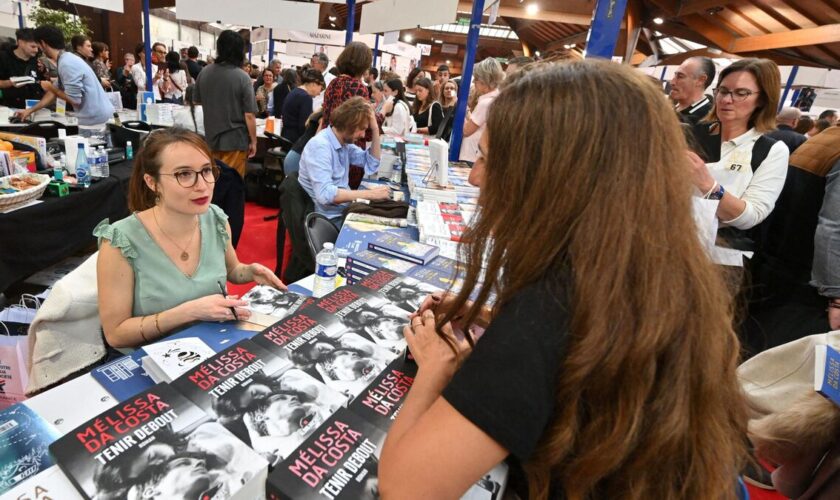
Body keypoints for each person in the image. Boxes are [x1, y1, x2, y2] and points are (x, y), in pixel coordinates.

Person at [377, 60, 748, 500]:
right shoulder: (649, 268)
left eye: (488, 160)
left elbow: (406, 488)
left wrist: (436, 368)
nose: (475, 177)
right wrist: (492, 316)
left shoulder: (550, 305)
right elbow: (583, 347)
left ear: (549, 180)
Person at [94, 128, 284, 351]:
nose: (202, 185)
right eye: (183, 174)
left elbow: (232, 269)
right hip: (150, 358)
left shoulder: (215, 218)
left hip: (211, 343)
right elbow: (116, 334)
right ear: (152, 182)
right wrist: (187, 312)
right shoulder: (120, 242)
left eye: (206, 171)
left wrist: (249, 271)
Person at [687, 58, 789, 235]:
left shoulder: (770, 150)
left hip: (716, 254)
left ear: (762, 100)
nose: (726, 100)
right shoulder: (692, 134)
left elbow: (751, 217)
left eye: (741, 93)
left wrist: (709, 186)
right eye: (723, 91)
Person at [298, 97, 390, 227]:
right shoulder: (320, 146)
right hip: (329, 220)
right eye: (362, 129)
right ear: (349, 124)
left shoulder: (342, 143)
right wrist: (370, 194)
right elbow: (324, 194)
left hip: (342, 212)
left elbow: (371, 163)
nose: (363, 135)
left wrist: (375, 129)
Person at [16, 26, 114, 127]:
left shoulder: (67, 63)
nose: (37, 50)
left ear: (43, 43)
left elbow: (75, 100)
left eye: (37, 45)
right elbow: (53, 92)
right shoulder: (66, 59)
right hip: (95, 117)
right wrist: (30, 111)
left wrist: (50, 87)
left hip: (96, 120)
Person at [194, 30, 258, 177]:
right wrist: (254, 141)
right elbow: (249, 115)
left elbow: (197, 101)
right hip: (235, 140)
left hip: (211, 138)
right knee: (232, 183)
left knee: (213, 181)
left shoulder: (204, 72)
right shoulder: (243, 77)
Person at [459, 57, 504, 163]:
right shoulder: (498, 99)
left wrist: (462, 113)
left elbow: (466, 131)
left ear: (485, 80)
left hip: (471, 155)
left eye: (477, 79)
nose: (474, 81)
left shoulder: (486, 103)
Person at [0, 28, 47, 109]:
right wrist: (10, 82)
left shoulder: (36, 60)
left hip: (35, 107)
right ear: (21, 43)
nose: (36, 50)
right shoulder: (3, 58)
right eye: (32, 46)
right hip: (10, 108)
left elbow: (42, 81)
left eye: (38, 47)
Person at [280, 68, 324, 145]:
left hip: (285, 137)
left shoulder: (294, 91)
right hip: (295, 142)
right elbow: (304, 127)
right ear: (314, 83)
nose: (320, 93)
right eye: (321, 88)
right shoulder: (306, 97)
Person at [670, 56, 715, 125]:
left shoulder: (707, 120)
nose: (672, 82)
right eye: (675, 75)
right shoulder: (668, 108)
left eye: (680, 76)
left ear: (701, 80)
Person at [283, 110, 322, 176]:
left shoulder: (317, 113)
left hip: (293, 154)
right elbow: (317, 141)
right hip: (298, 159)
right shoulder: (323, 118)